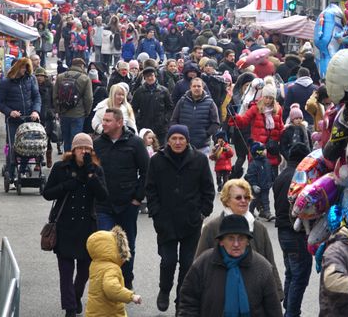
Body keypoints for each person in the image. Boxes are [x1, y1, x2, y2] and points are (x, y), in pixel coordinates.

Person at [145, 125, 215, 312]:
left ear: (187, 140)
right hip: (165, 221)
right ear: (168, 140)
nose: (177, 142)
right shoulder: (157, 160)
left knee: (187, 264)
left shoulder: (199, 160)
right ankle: (164, 290)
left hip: (191, 221)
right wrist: (155, 212)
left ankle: (182, 301)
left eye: (181, 139)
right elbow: (150, 188)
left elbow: (208, 189)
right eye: (174, 138)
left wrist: (203, 212)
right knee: (167, 260)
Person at [43, 133, 109, 317]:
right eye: (80, 148)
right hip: (64, 225)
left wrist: (91, 175)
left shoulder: (95, 169)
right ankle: (70, 308)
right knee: (65, 271)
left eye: (87, 148)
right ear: (73, 150)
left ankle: (75, 295)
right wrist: (65, 186)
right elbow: (47, 193)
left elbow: (103, 196)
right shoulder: (60, 167)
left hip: (87, 227)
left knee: (84, 270)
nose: (84, 151)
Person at [178, 214, 284, 317]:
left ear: (248, 241)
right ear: (221, 241)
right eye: (230, 238)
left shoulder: (262, 268)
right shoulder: (203, 264)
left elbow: (273, 310)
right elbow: (188, 303)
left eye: (241, 238)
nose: (236, 244)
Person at [93, 108, 150, 290]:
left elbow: (147, 172)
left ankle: (126, 280)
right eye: (104, 120)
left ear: (119, 123)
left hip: (127, 203)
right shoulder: (98, 144)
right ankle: (108, 283)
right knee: (106, 245)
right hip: (103, 204)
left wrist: (137, 198)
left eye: (108, 121)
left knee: (126, 246)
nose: (104, 124)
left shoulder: (135, 143)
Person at [273, 142, 313, 317]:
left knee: (291, 273)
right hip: (296, 234)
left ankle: (289, 309)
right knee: (299, 277)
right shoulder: (301, 178)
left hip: (282, 232)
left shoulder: (281, 176)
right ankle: (292, 312)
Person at [0, 57, 41, 180]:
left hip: (29, 119)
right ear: (17, 68)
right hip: (13, 120)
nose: (24, 70)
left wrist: (36, 111)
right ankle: (11, 171)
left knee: (28, 145)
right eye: (22, 67)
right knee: (13, 146)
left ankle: (23, 168)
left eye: (26, 67)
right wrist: (10, 112)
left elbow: (37, 97)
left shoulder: (31, 79)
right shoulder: (5, 82)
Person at [228, 78, 284, 177]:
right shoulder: (255, 108)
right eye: (266, 97)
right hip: (257, 148)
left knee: (272, 180)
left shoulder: (278, 110)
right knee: (256, 179)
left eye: (270, 98)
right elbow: (244, 121)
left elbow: (280, 127)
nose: (268, 100)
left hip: (272, 149)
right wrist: (235, 116)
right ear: (262, 96)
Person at [85, 226, 143, 316]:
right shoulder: (112, 268)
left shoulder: (95, 264)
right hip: (110, 313)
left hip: (94, 311)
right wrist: (131, 296)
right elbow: (111, 288)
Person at [169, 77, 220, 155]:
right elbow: (174, 119)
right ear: (190, 87)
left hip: (202, 146)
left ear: (203, 87)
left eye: (199, 86)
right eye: (194, 86)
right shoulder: (182, 101)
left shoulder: (210, 103)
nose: (196, 88)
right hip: (183, 145)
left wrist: (206, 134)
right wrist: (177, 133)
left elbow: (216, 123)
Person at [53, 58, 93, 152]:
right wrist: (87, 112)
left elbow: (55, 96)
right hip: (78, 114)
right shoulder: (85, 78)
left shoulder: (60, 77)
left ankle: (67, 158)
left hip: (64, 113)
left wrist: (58, 110)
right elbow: (89, 98)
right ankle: (74, 161)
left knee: (66, 139)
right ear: (82, 66)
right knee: (76, 141)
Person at [131, 66, 174, 144]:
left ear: (155, 76)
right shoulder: (139, 91)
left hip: (161, 128)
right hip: (144, 128)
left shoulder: (163, 91)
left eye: (151, 75)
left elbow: (170, 108)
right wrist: (138, 120)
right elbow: (133, 108)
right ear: (144, 78)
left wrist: (165, 119)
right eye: (147, 76)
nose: (150, 78)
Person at [245, 142, 275, 220]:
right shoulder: (254, 164)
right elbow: (251, 176)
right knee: (255, 199)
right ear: (259, 152)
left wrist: (272, 180)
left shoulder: (267, 162)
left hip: (266, 186)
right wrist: (254, 185)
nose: (266, 151)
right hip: (257, 187)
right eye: (264, 150)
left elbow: (270, 172)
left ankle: (267, 213)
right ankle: (250, 211)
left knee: (265, 200)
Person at [34, 67, 55, 168]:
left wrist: (54, 111)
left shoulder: (50, 86)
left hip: (48, 116)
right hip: (37, 116)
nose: (39, 78)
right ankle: (38, 162)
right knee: (36, 139)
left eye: (41, 76)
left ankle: (48, 157)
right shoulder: (33, 86)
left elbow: (54, 100)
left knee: (48, 138)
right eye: (37, 76)